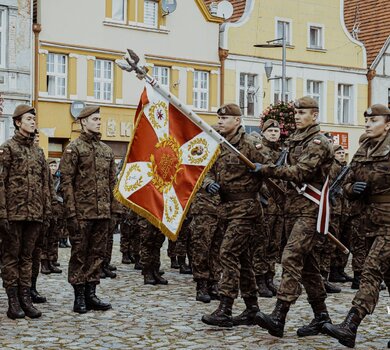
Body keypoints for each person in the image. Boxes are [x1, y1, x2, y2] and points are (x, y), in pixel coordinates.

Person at [252, 96, 334, 337]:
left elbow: (301, 173)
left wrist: (268, 169)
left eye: (302, 113)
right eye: (296, 113)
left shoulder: (318, 142)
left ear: (314, 115)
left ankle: (279, 315)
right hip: (293, 209)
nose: (297, 116)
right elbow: (283, 166)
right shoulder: (295, 140)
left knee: (291, 257)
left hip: (310, 209)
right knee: (307, 268)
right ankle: (321, 317)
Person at [321, 104, 390, 348]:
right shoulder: (363, 149)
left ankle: (350, 325)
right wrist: (353, 189)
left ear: (388, 124)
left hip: (389, 223)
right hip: (368, 221)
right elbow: (346, 184)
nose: (368, 124)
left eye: (374, 121)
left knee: (370, 271)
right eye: (367, 121)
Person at [201, 103, 268, 327]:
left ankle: (225, 308)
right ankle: (252, 308)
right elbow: (207, 170)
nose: (220, 121)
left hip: (246, 209)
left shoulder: (249, 144)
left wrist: (260, 168)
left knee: (227, 253)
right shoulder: (219, 144)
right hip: (226, 208)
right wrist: (209, 183)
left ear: (237, 121)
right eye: (219, 118)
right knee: (242, 259)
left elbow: (269, 169)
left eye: (225, 118)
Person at [59, 105, 121, 313]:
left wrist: (114, 211)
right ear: (83, 122)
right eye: (94, 119)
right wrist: (71, 213)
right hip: (81, 214)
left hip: (103, 213)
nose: (98, 122)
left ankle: (91, 294)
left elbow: (114, 183)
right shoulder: (74, 148)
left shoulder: (106, 150)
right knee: (79, 254)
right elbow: (66, 183)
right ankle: (79, 297)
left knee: (97, 254)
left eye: (99, 119)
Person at [0, 104, 51, 319]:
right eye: (28, 119)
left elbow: (45, 184)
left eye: (33, 119)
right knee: (11, 257)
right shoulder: (8, 148)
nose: (32, 122)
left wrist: (46, 211)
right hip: (13, 214)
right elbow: (0, 182)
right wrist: (2, 212)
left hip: (35, 213)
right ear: (18, 122)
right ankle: (13, 302)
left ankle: (25, 298)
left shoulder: (38, 152)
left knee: (28, 257)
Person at [253, 119, 284, 298]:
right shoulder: (258, 150)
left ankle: (269, 278)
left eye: (276, 131)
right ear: (263, 132)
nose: (274, 133)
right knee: (261, 244)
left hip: (278, 206)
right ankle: (259, 279)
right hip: (264, 203)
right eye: (270, 130)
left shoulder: (281, 153)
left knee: (274, 243)